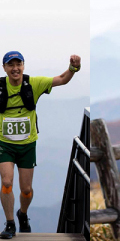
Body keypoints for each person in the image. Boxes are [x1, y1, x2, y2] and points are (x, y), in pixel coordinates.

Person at [0, 51, 74, 236]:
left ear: (23, 66)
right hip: (4, 144)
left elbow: (62, 79)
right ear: (5, 68)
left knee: (26, 190)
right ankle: (10, 224)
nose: (15, 68)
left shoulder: (34, 83)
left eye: (18, 64)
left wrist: (73, 67)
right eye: (11, 65)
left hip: (27, 145)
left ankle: (22, 214)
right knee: (7, 182)